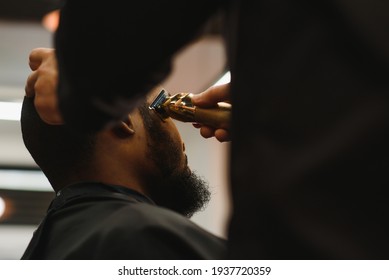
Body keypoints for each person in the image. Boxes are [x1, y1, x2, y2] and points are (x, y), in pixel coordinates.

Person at [29, 0, 389, 259]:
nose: (181, 135)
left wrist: (74, 75)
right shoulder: (140, 239)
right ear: (122, 120)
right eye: (158, 110)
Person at [20, 53, 227, 258]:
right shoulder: (147, 237)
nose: (182, 142)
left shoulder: (41, 250)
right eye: (164, 109)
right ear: (122, 120)